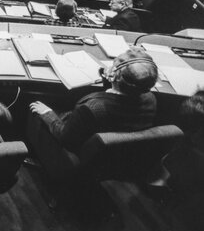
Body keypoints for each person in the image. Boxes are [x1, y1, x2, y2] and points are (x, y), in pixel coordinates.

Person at [29, 47, 158, 153]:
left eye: (114, 63)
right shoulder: (150, 98)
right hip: (114, 153)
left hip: (77, 150)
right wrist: (109, 80)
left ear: (115, 76)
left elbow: (65, 138)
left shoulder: (92, 108)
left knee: (36, 110)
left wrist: (47, 113)